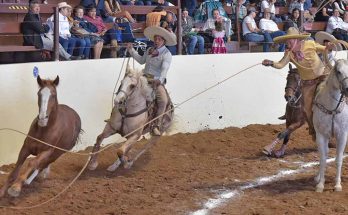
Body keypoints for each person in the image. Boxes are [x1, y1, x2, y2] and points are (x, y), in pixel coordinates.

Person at [262, 27, 333, 141]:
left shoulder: (310, 44)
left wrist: (329, 48)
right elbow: (280, 65)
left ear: (296, 40)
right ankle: (313, 130)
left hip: (323, 76)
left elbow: (324, 49)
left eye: (289, 41)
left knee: (329, 94)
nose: (287, 43)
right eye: (287, 41)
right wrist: (270, 63)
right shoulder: (289, 54)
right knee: (306, 110)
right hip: (307, 83)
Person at [126, 26, 176, 136]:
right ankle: (121, 115)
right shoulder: (149, 50)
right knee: (127, 88)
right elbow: (141, 61)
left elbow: (164, 70)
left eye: (159, 39)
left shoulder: (167, 54)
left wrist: (160, 80)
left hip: (155, 81)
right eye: (155, 39)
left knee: (163, 100)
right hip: (143, 77)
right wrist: (131, 50)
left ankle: (156, 124)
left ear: (164, 41)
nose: (156, 41)